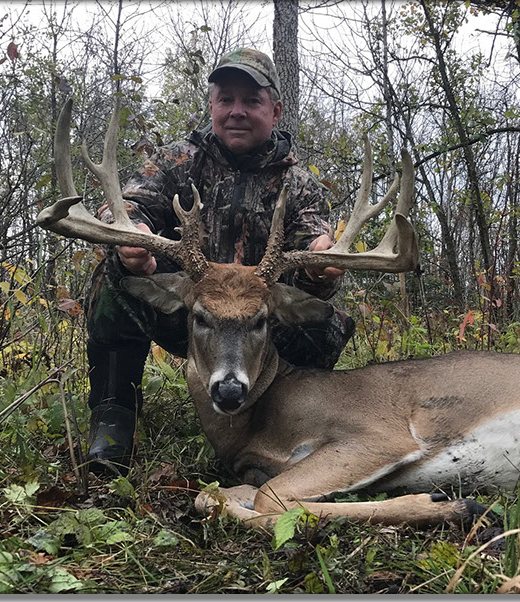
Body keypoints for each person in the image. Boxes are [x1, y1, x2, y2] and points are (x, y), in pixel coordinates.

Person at [85, 48, 355, 475]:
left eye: (252, 101)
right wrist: (132, 235)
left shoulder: (298, 184)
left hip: (259, 329)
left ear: (276, 109)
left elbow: (313, 245)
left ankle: (279, 422)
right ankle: (114, 418)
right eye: (226, 99)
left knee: (328, 322)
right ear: (211, 105)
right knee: (114, 279)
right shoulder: (177, 161)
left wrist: (320, 262)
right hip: (193, 316)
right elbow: (126, 204)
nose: (237, 112)